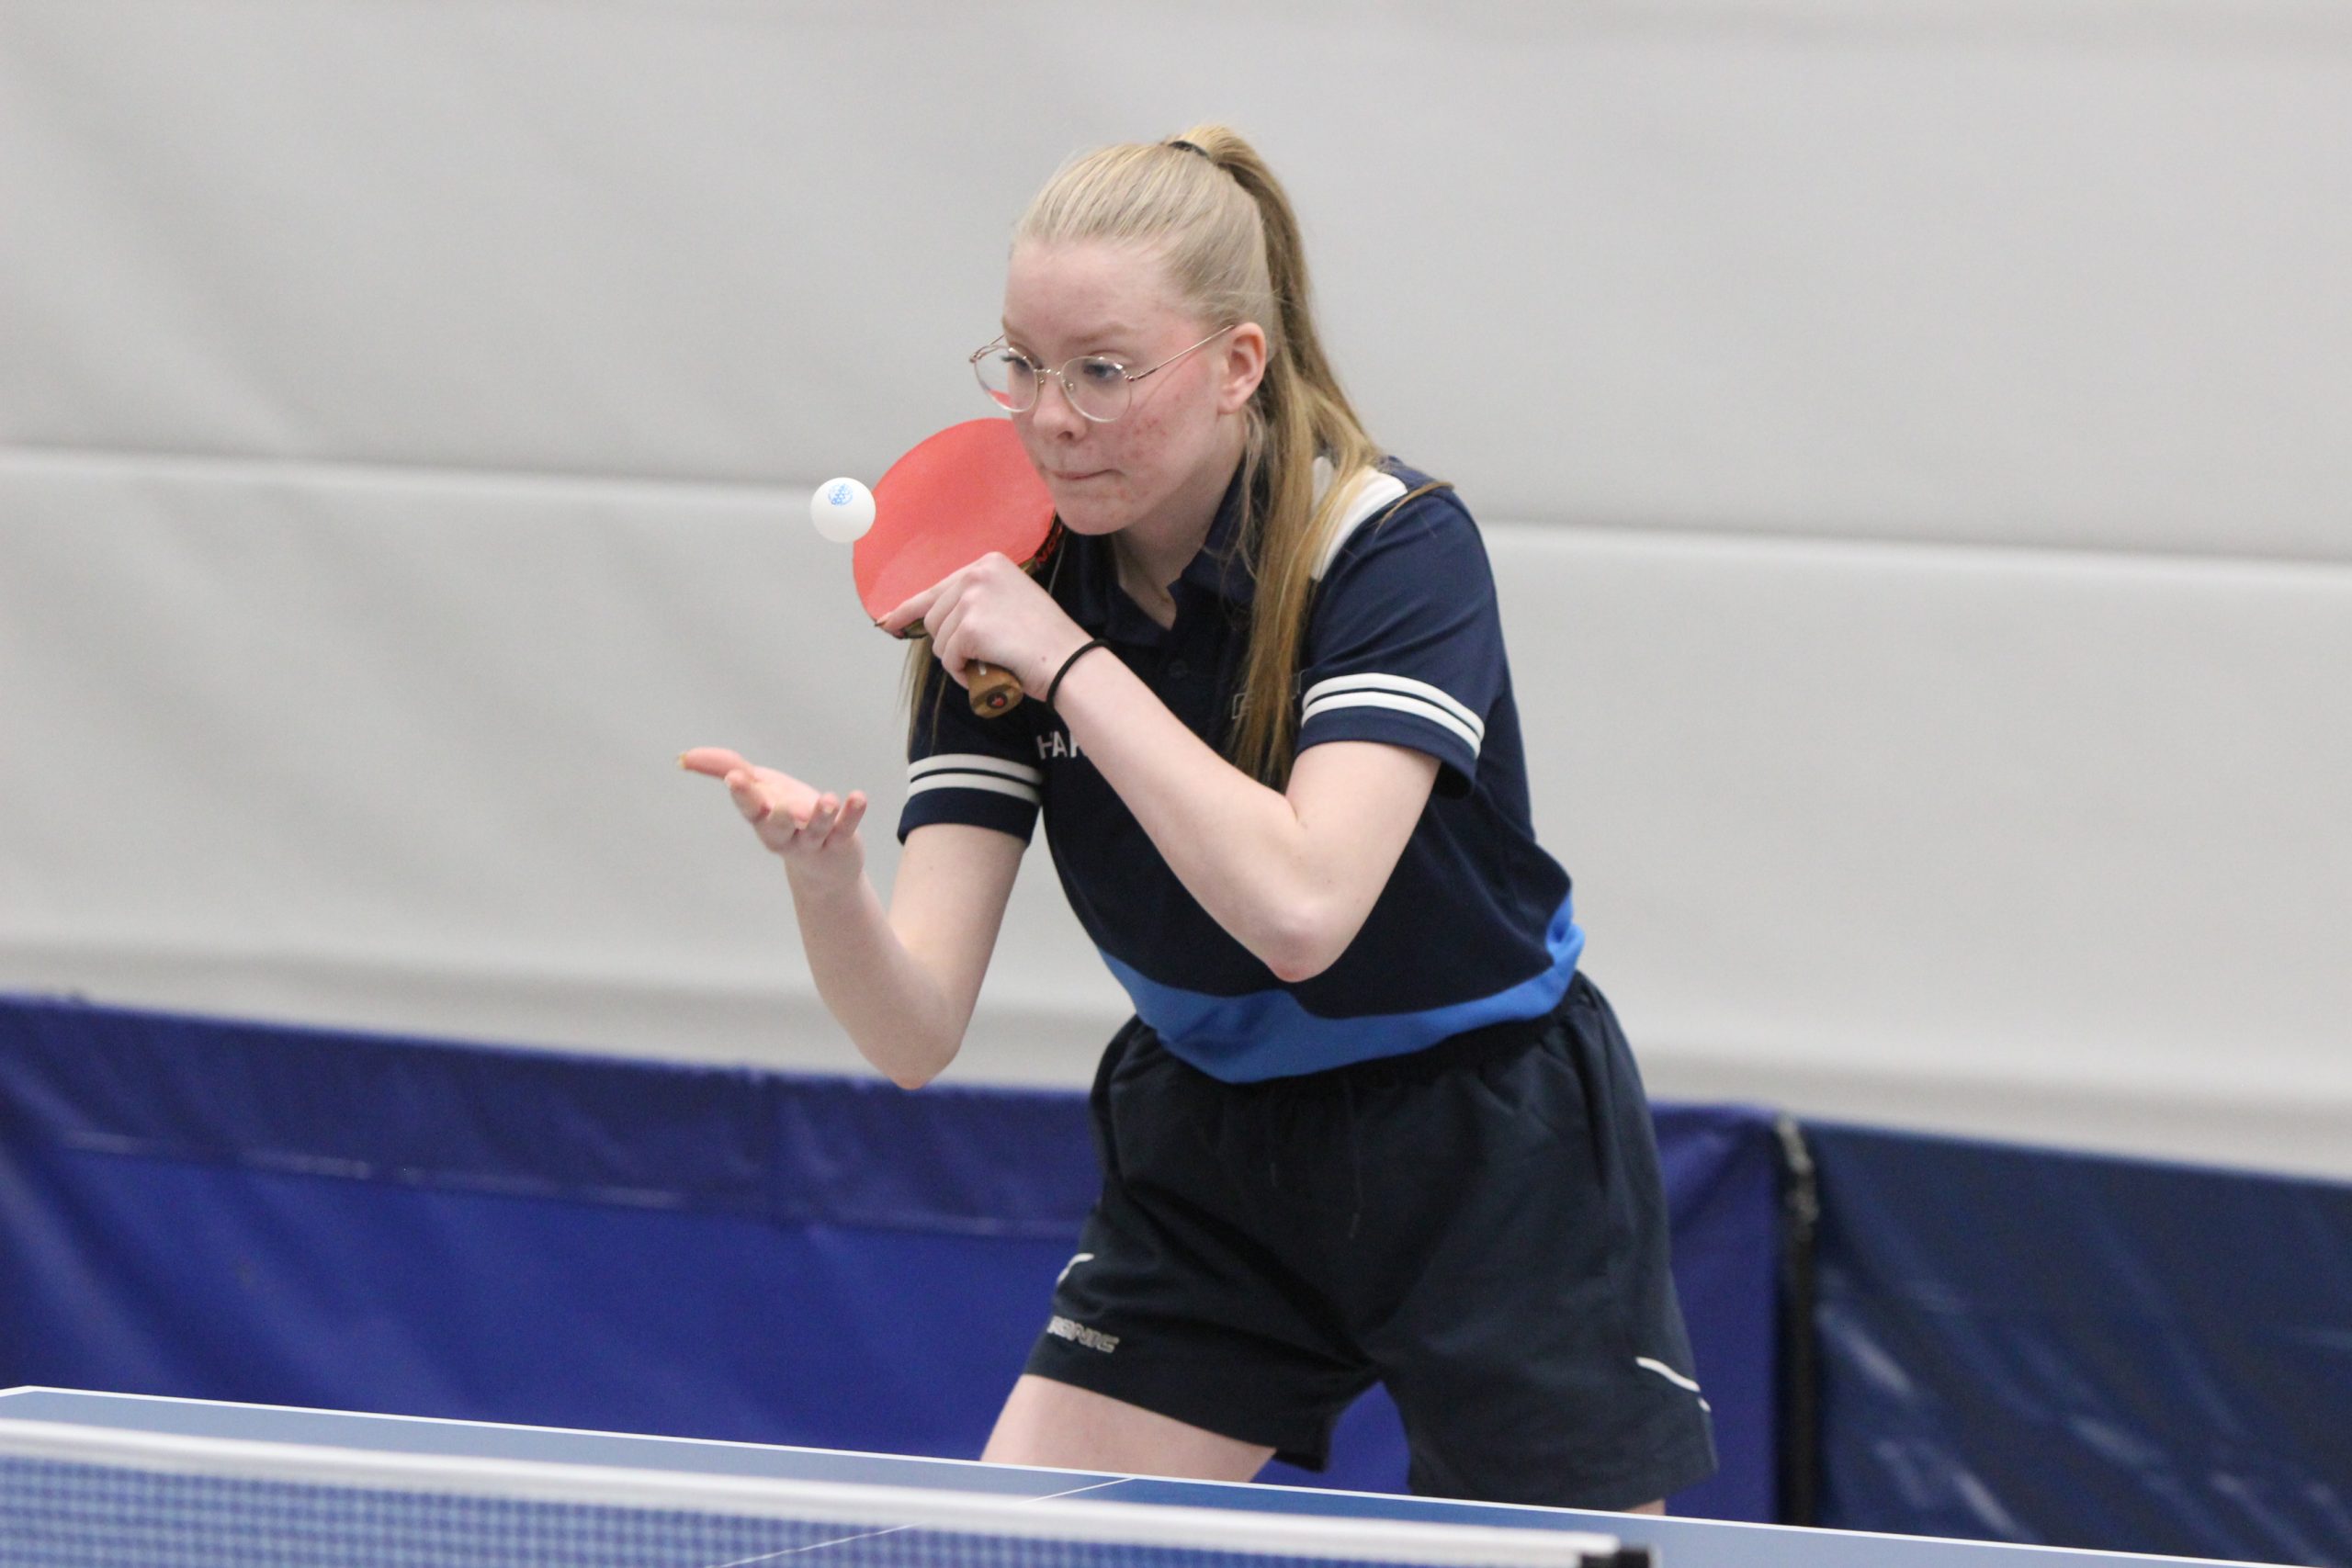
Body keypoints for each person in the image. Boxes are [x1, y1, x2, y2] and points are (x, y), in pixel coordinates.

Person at [683, 124, 1715, 1512]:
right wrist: (826, 886)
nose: (1052, 417)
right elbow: (913, 1032)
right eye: (1022, 363)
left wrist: (1066, 661)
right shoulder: (1002, 587)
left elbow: (1302, 911)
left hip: (1488, 1151)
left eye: (1104, 370)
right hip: (1216, 1147)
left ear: (1237, 364)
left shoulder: (1388, 549)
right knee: (1011, 1545)